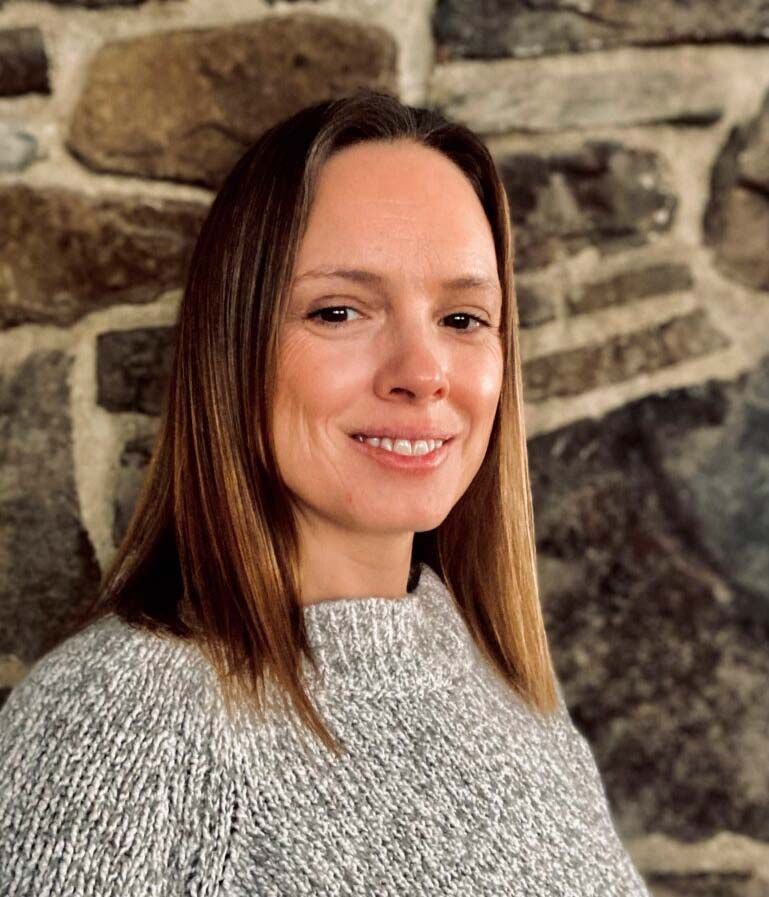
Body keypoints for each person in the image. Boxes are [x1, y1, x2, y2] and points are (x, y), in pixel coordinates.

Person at [0, 87, 652, 895]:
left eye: (462, 318)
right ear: (233, 348)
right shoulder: (113, 723)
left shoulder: (500, 685)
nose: (422, 374)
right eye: (339, 310)